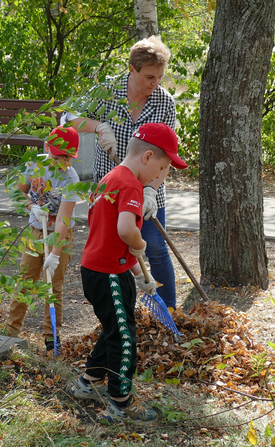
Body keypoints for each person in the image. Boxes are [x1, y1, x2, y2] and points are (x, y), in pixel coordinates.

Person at [69, 123, 187, 425]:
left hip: (96, 269)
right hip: (109, 275)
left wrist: (138, 273)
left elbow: (111, 236)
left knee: (113, 327)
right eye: (161, 170)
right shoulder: (131, 185)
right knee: (124, 337)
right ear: (147, 157)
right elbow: (126, 231)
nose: (159, 180)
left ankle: (88, 382)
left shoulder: (109, 178)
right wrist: (141, 242)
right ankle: (121, 403)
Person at [64, 35, 180, 309]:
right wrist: (99, 127)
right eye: (150, 76)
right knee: (114, 249)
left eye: (160, 77)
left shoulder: (164, 102)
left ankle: (170, 310)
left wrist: (150, 190)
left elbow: (169, 155)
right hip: (110, 192)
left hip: (149, 192)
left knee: (155, 248)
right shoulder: (107, 91)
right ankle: (119, 312)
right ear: (131, 68)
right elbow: (66, 117)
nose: (156, 83)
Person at [3, 126, 81, 353]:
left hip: (60, 236)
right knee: (25, 281)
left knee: (52, 287)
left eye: (67, 158)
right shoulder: (34, 166)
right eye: (58, 156)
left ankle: (51, 337)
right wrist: (32, 206)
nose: (62, 163)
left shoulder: (70, 178)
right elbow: (17, 192)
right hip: (35, 232)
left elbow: (63, 221)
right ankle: (10, 331)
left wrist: (55, 254)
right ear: (48, 148)